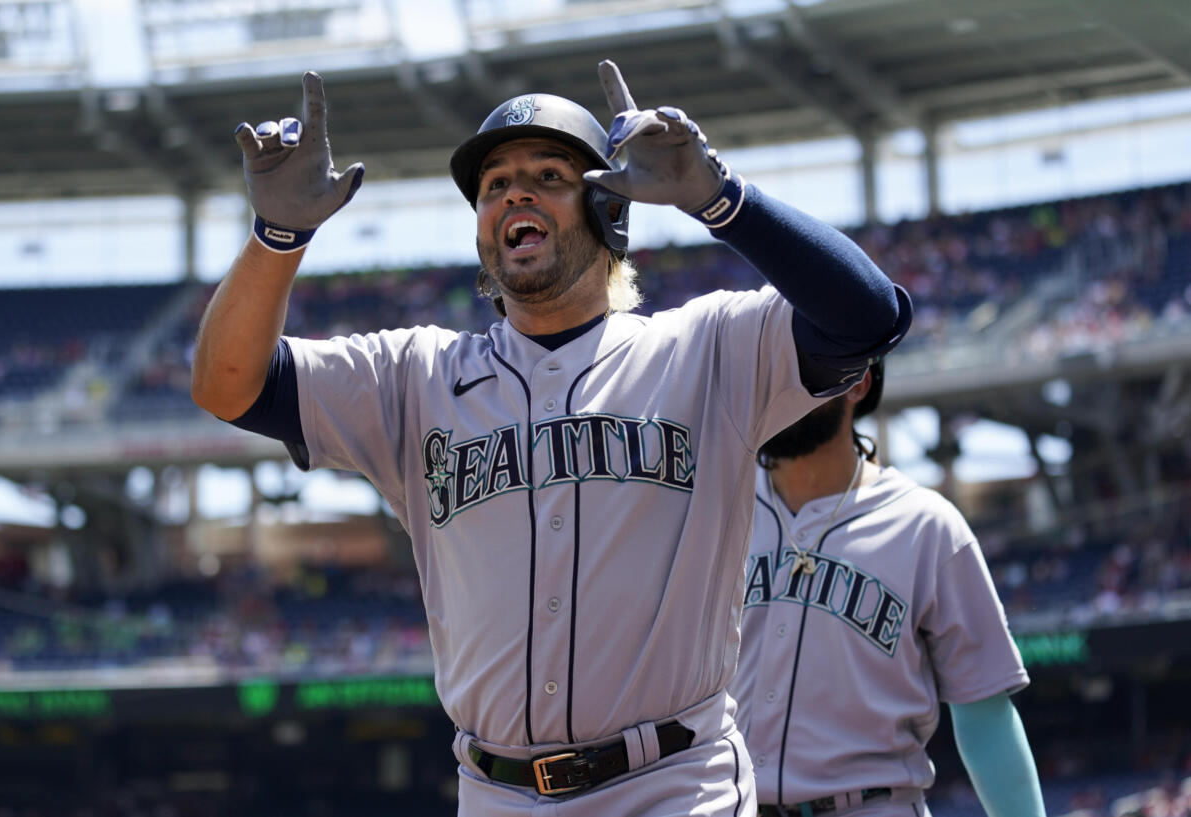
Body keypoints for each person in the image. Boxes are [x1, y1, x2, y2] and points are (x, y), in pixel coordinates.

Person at [191, 59, 910, 817]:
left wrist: (718, 198)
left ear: (608, 211)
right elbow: (227, 385)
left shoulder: (705, 348)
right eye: (494, 184)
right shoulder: (412, 377)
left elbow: (869, 318)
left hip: (671, 785)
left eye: (549, 174)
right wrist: (277, 238)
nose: (515, 192)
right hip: (493, 793)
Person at [730, 361, 1046, 817]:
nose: (780, 389)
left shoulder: (927, 527)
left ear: (858, 381)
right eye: (769, 370)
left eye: (800, 369)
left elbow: (985, 713)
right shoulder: (714, 508)